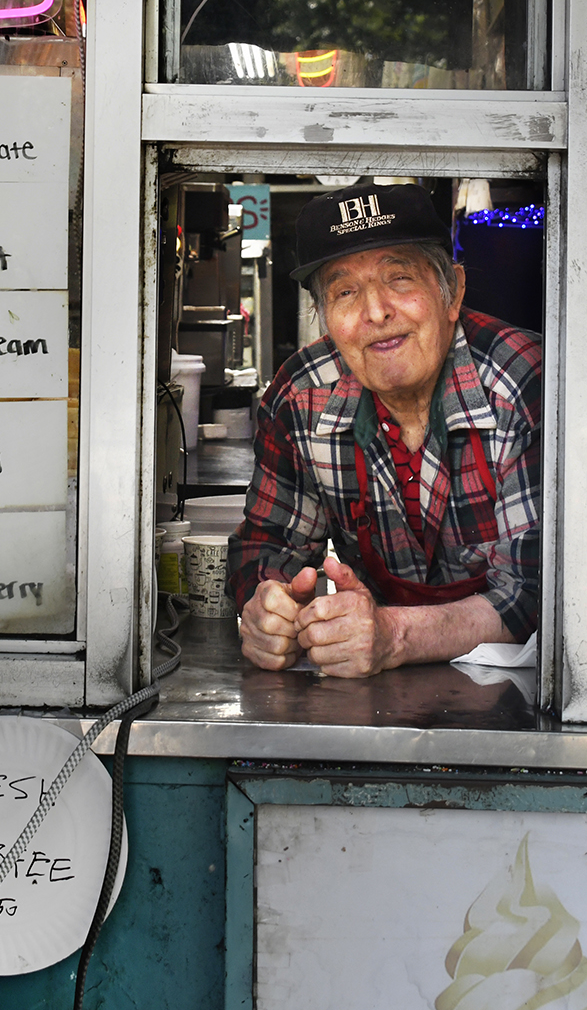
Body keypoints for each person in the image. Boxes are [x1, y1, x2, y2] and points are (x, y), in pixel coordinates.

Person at [230, 180, 542, 678]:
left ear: (453, 291)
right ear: (324, 319)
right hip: (376, 695)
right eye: (345, 292)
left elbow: (537, 593)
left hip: (516, 689)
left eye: (399, 279)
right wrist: (270, 610)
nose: (375, 312)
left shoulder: (522, 384)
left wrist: (394, 635)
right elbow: (265, 547)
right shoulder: (301, 396)